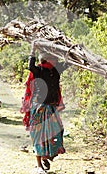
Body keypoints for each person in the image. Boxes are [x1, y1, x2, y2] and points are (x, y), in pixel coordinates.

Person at [21, 41, 68, 174]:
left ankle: (47, 155)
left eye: (56, 58)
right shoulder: (39, 71)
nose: (55, 60)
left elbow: (68, 62)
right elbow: (30, 66)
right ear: (47, 59)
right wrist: (33, 50)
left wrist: (71, 50)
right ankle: (39, 165)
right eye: (53, 58)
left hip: (51, 107)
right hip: (39, 108)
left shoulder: (56, 71)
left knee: (57, 132)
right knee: (39, 136)